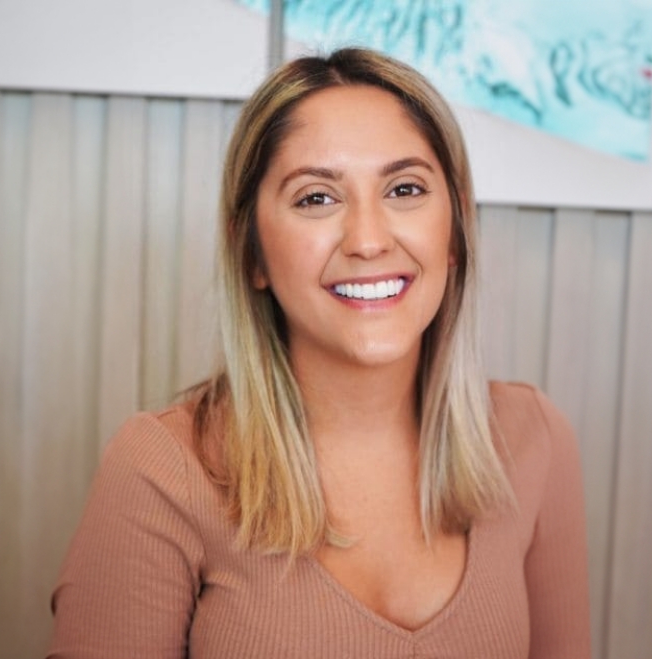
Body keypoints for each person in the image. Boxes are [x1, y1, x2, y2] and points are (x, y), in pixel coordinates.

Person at [47, 48, 590, 658]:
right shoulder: (161, 470)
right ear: (251, 252)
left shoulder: (535, 439)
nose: (367, 240)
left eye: (404, 189)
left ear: (456, 232)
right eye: (316, 198)